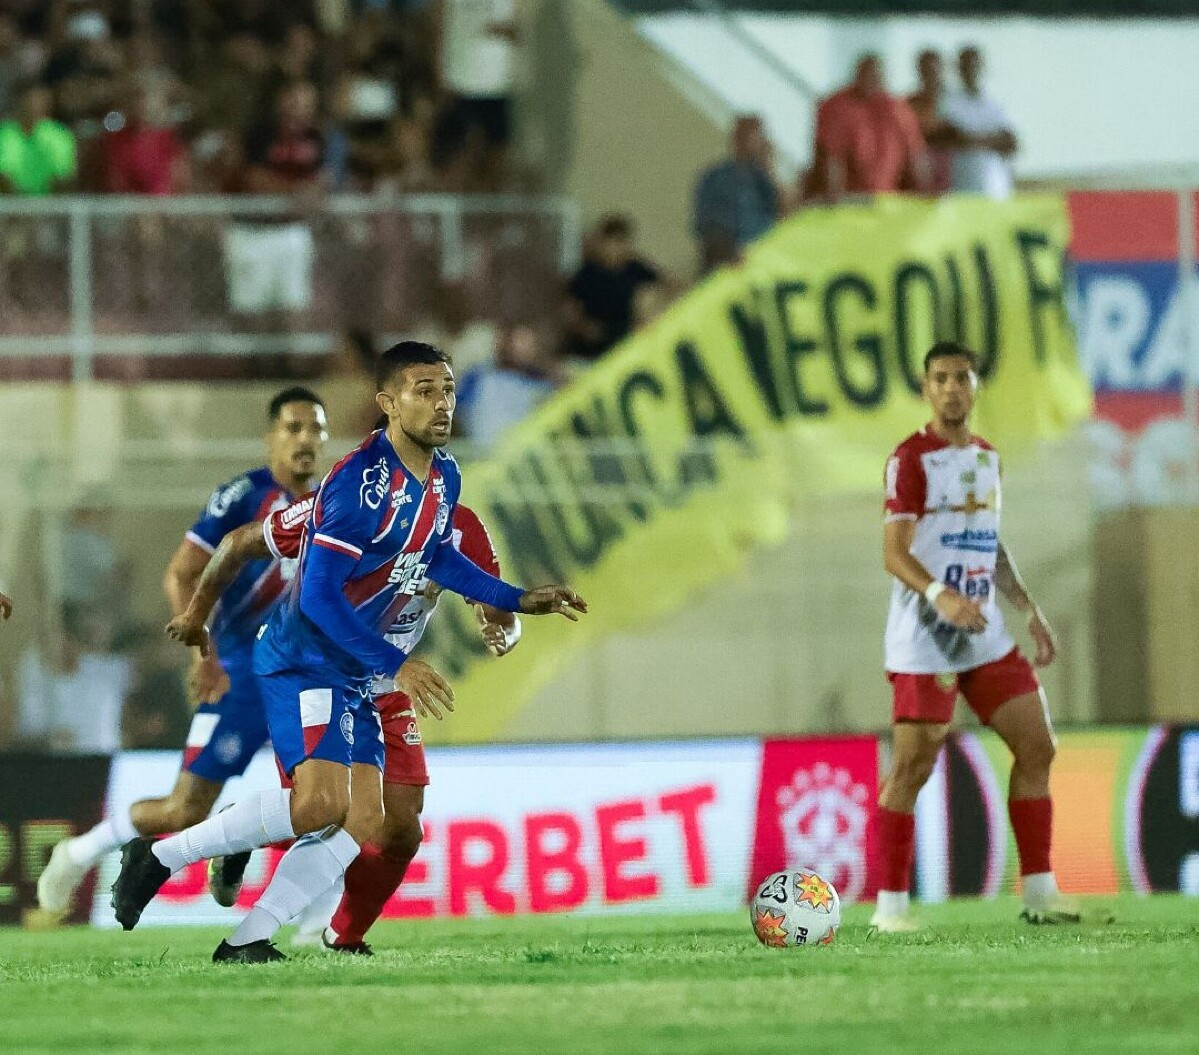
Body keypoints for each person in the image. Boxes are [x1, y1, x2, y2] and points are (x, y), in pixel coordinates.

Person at [111, 341, 588, 963]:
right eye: (424, 390)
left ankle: (247, 940)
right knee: (320, 806)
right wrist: (397, 664)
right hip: (305, 659)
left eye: (447, 389)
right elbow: (316, 598)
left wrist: (520, 600)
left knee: (366, 822)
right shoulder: (356, 484)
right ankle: (158, 854)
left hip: (356, 671)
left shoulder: (444, 476)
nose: (442, 403)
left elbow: (440, 557)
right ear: (387, 403)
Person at [166, 488, 520, 954]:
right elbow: (241, 542)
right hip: (320, 677)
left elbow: (501, 610)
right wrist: (196, 615)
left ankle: (345, 936)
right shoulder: (340, 502)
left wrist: (503, 630)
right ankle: (232, 837)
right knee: (325, 814)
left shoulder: (460, 525)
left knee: (400, 829)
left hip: (389, 686)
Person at [36, 387, 328, 917]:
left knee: (327, 803)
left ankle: (256, 856)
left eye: (315, 429)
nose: (305, 439)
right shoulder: (242, 496)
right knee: (184, 812)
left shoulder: (333, 506)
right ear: (271, 437)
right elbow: (180, 573)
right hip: (240, 676)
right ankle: (78, 852)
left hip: (302, 678)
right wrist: (203, 655)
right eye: (293, 427)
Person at [873, 341, 1077, 932]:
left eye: (962, 377)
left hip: (983, 633)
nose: (952, 388)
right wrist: (940, 595)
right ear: (925, 389)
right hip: (925, 634)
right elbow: (894, 553)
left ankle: (1040, 894)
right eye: (940, 379)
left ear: (976, 386)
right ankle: (890, 909)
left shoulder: (988, 459)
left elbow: (988, 541)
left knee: (1037, 747)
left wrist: (1026, 605)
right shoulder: (910, 460)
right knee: (914, 765)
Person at [808, 54, 928, 203]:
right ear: (857, 76)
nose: (872, 80)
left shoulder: (899, 110)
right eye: (868, 75)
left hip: (887, 198)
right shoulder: (838, 107)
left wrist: (924, 197)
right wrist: (834, 199)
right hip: (850, 199)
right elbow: (832, 158)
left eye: (877, 75)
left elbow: (916, 157)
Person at [563, 215, 661, 362]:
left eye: (621, 242)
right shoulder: (586, 274)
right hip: (592, 347)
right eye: (611, 242)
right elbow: (570, 311)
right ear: (601, 244)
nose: (616, 248)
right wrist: (584, 327)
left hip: (626, 343)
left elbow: (670, 284)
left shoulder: (636, 269)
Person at [693, 115, 779, 274]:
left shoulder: (764, 182)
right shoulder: (715, 178)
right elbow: (708, 230)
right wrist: (733, 255)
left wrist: (769, 169)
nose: (758, 142)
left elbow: (785, 216)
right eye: (752, 136)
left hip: (765, 265)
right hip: (727, 265)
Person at [941, 46, 1018, 200]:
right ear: (958, 68)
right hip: (963, 190)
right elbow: (954, 138)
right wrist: (992, 140)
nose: (971, 70)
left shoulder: (994, 104)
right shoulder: (947, 103)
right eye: (966, 65)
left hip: (996, 190)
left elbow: (1011, 143)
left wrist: (973, 140)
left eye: (974, 65)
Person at [0, 81, 77, 195]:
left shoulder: (61, 136)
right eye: (29, 100)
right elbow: (3, 174)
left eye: (39, 101)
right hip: (8, 205)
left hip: (51, 206)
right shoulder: (4, 133)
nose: (34, 105)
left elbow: (63, 176)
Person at [906, 49, 952, 195]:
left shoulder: (956, 103)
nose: (930, 76)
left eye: (933, 70)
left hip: (954, 175)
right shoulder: (909, 105)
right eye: (925, 71)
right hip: (920, 176)